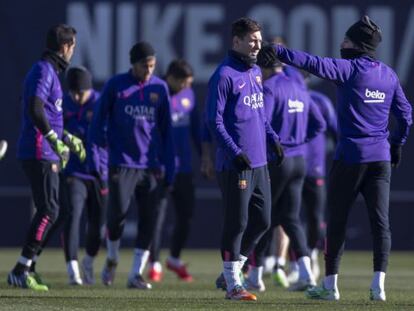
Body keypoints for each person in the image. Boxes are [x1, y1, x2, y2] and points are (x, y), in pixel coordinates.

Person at [261, 15, 412, 301]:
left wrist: (279, 51)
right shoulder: (389, 75)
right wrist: (396, 144)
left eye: (346, 39)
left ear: (357, 45)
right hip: (380, 159)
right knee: (381, 223)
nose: (341, 44)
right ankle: (378, 285)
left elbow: (311, 62)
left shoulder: (349, 69)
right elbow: (405, 115)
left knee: (337, 221)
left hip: (350, 158)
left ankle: (330, 287)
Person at [206, 17, 283, 301]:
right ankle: (232, 284)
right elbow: (213, 121)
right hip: (236, 163)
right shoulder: (224, 75)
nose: (257, 45)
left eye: (260, 41)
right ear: (236, 41)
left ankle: (231, 272)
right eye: (252, 40)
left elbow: (260, 114)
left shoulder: (256, 73)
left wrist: (273, 138)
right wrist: (234, 152)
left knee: (262, 221)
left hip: (260, 162)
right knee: (237, 222)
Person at [89, 41, 175, 290]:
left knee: (149, 220)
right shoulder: (116, 85)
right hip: (121, 163)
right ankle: (113, 257)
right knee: (116, 217)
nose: (149, 71)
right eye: (144, 66)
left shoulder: (159, 88)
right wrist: (97, 159)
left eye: (152, 65)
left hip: (150, 166)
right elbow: (97, 125)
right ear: (133, 64)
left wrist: (169, 166)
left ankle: (135, 274)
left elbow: (166, 131)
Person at [244, 46, 326, 292]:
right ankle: (305, 273)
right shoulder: (299, 86)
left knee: (263, 217)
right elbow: (319, 123)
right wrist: (299, 141)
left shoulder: (269, 88)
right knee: (291, 218)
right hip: (300, 161)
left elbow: (261, 124)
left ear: (263, 67)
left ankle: (255, 276)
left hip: (277, 161)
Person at [9, 24, 84, 291]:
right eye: (73, 47)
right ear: (65, 47)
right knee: (50, 209)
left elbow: (48, 114)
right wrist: (53, 138)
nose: (73, 52)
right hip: (39, 151)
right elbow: (35, 109)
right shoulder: (44, 70)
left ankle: (29, 265)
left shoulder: (50, 71)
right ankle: (21, 268)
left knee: (60, 210)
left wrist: (66, 138)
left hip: (47, 148)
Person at [148, 59, 201, 282]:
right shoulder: (155, 93)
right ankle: (154, 264)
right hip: (160, 167)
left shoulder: (189, 96)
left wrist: (204, 156)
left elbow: (196, 129)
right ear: (173, 78)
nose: (187, 87)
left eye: (190, 83)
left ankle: (175, 259)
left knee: (186, 215)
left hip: (184, 168)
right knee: (157, 218)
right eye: (185, 82)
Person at [61, 66, 108, 285]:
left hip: (100, 173)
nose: (77, 97)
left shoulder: (101, 103)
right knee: (73, 216)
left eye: (81, 92)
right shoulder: (64, 103)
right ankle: (73, 270)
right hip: (74, 172)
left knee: (98, 225)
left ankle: (88, 262)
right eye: (73, 92)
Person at [302, 88, 337, 281]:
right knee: (285, 218)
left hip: (314, 168)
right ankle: (286, 263)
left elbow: (334, 130)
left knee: (315, 218)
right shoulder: (280, 93)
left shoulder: (320, 101)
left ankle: (312, 255)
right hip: (287, 166)